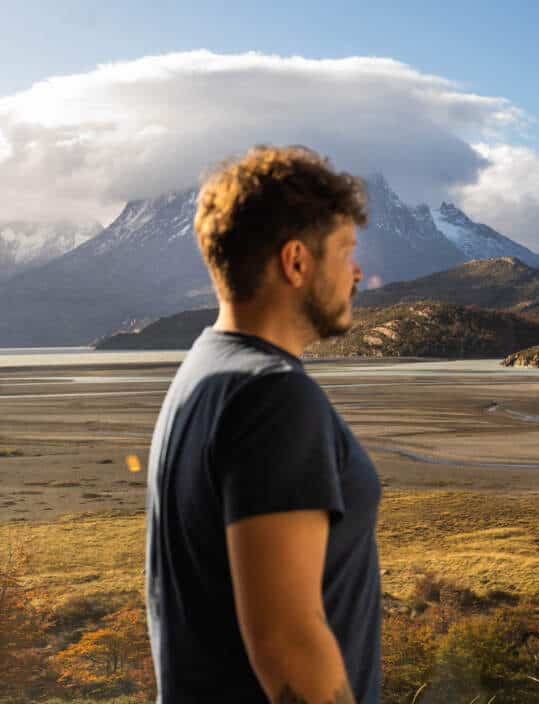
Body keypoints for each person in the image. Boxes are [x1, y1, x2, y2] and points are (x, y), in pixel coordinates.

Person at [144, 145, 381, 703]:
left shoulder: (203, 372)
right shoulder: (274, 397)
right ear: (296, 261)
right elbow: (286, 644)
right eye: (345, 251)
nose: (357, 271)